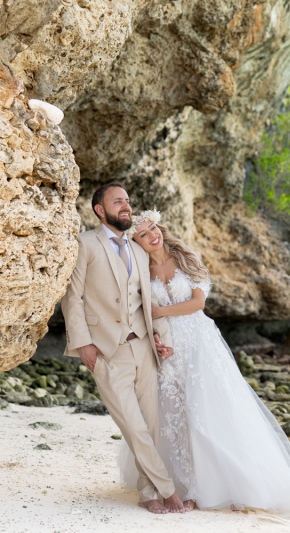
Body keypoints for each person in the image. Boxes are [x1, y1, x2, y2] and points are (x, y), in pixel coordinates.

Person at [124, 209, 290, 512]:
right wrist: (155, 336)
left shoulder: (186, 258)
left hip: (200, 343)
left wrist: (160, 312)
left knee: (209, 410)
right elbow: (139, 311)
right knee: (173, 416)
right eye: (143, 234)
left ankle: (220, 486)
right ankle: (182, 487)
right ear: (136, 242)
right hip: (167, 348)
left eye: (154, 228)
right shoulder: (140, 270)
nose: (153, 236)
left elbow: (197, 303)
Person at [60, 183, 186, 514]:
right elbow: (74, 298)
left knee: (152, 426)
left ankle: (147, 492)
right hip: (105, 351)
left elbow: (151, 299)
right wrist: (82, 343)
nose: (126, 206)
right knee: (132, 425)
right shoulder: (85, 243)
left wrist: (163, 338)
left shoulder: (138, 247)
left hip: (144, 346)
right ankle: (168, 491)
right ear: (100, 210)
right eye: (118, 201)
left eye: (128, 200)